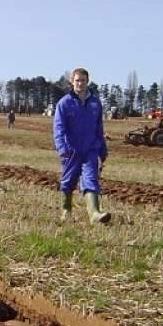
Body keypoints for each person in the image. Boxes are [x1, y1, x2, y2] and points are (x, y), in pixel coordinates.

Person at [53, 67, 110, 224]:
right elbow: (58, 128)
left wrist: (102, 149)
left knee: (91, 179)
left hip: (90, 148)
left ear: (87, 82)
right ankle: (66, 211)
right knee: (68, 180)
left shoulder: (95, 103)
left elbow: (99, 128)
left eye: (83, 80)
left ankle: (95, 214)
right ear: (72, 82)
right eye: (77, 80)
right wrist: (62, 148)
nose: (80, 83)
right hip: (71, 150)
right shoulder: (64, 104)